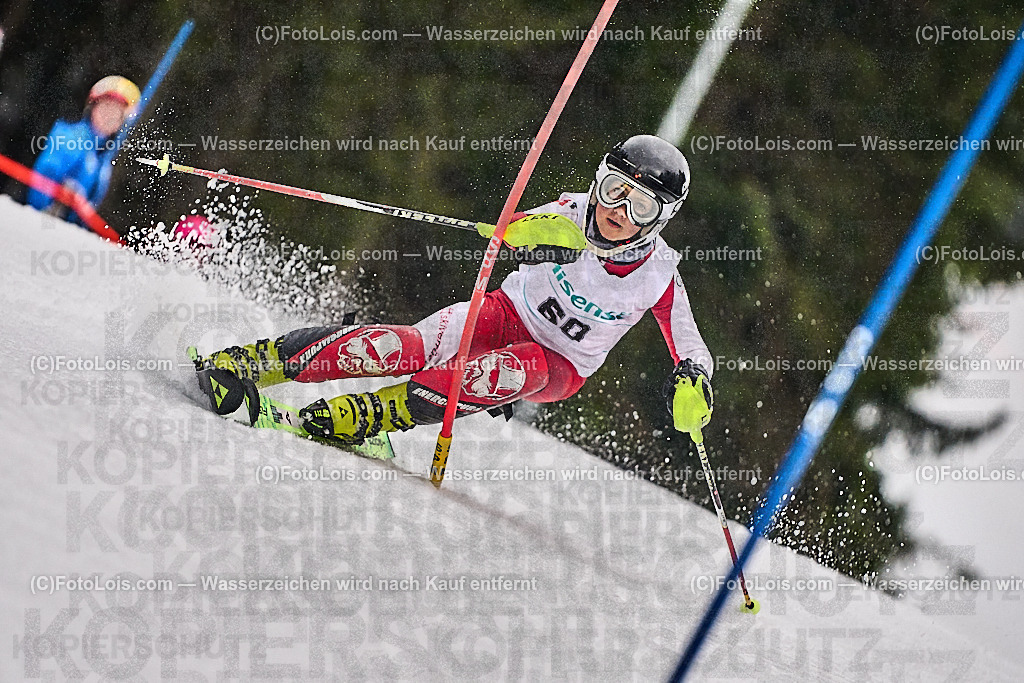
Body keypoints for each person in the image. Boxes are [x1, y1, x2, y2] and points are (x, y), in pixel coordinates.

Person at [193, 135, 715, 443]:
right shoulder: (571, 214)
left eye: (640, 206)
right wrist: (521, 231)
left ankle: (368, 416)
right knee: (404, 347)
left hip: (559, 364)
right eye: (614, 190)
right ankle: (250, 362)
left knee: (511, 368)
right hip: (506, 311)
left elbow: (690, 346)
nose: (617, 211)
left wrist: (693, 381)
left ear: (660, 219)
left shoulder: (657, 275)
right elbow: (515, 228)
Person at [28, 75, 140, 219]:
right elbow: (44, 175)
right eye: (106, 107)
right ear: (93, 107)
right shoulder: (70, 138)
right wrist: (54, 202)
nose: (109, 116)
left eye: (116, 113)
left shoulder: (104, 156)